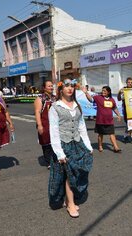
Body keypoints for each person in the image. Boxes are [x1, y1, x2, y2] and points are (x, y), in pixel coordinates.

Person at [48, 78, 93, 218]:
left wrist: (88, 145)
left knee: (77, 173)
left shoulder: (77, 105)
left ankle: (69, 200)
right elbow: (54, 131)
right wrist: (59, 152)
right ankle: (71, 204)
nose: (70, 88)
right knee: (68, 175)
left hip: (77, 143)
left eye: (72, 86)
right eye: (66, 86)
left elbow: (82, 127)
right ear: (61, 89)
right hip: (63, 144)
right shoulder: (55, 107)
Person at [83, 85, 122, 153]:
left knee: (112, 133)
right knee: (100, 134)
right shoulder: (98, 97)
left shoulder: (112, 100)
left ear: (108, 92)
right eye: (102, 90)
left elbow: (114, 108)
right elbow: (91, 100)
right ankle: (100, 146)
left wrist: (118, 115)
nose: (103, 92)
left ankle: (116, 147)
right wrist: (86, 93)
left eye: (104, 91)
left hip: (109, 121)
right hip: (100, 121)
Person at [34, 80, 56, 168]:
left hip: (55, 124)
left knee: (55, 142)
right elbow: (37, 112)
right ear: (44, 88)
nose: (51, 87)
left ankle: (55, 159)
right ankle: (49, 162)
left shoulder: (55, 98)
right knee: (46, 144)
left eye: (51, 86)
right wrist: (39, 125)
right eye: (49, 86)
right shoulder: (40, 99)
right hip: (45, 124)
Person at [117, 77, 132, 145]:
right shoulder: (124, 90)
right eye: (128, 82)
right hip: (126, 110)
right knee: (130, 123)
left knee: (129, 124)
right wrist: (119, 93)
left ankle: (124, 136)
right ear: (126, 83)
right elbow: (119, 99)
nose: (130, 83)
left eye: (131, 82)